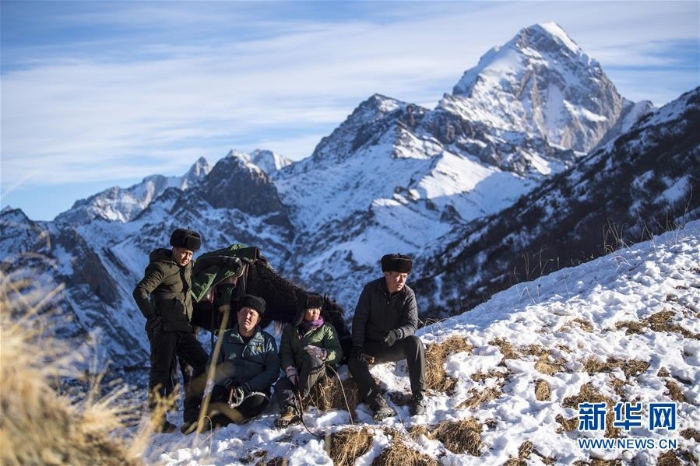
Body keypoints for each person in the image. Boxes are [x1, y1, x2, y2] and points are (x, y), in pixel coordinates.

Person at [133, 228, 244, 433]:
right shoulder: (160, 268)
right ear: (174, 248)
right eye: (183, 252)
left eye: (190, 253)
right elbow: (140, 291)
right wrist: (153, 317)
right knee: (160, 374)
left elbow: (205, 262)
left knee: (203, 363)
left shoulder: (188, 266)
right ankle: (158, 421)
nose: (187, 257)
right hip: (163, 331)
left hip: (183, 330)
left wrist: (229, 262)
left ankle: (191, 412)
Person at [348, 253, 427, 421]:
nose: (401, 280)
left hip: (393, 345)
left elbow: (412, 325)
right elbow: (359, 318)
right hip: (371, 347)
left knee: (415, 343)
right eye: (397, 276)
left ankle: (419, 396)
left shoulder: (408, 295)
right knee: (354, 362)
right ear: (386, 274)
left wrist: (397, 334)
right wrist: (358, 345)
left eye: (404, 276)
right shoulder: (370, 290)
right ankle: (378, 403)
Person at [193, 294, 280, 433]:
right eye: (244, 312)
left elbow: (273, 370)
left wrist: (248, 387)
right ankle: (215, 417)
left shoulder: (267, 341)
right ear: (238, 314)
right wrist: (227, 383)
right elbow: (211, 366)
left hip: (255, 390)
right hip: (227, 388)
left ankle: (219, 421)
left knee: (255, 404)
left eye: (252, 313)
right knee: (209, 401)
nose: (247, 316)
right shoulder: (224, 338)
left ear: (258, 319)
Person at [273, 293, 344, 428]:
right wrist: (290, 369)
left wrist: (324, 354)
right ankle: (290, 411)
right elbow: (285, 353)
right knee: (281, 384)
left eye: (318, 309)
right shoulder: (290, 330)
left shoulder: (327, 329)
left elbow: (337, 352)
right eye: (311, 309)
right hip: (299, 370)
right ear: (302, 311)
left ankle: (300, 395)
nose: (315, 313)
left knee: (313, 361)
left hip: (320, 371)